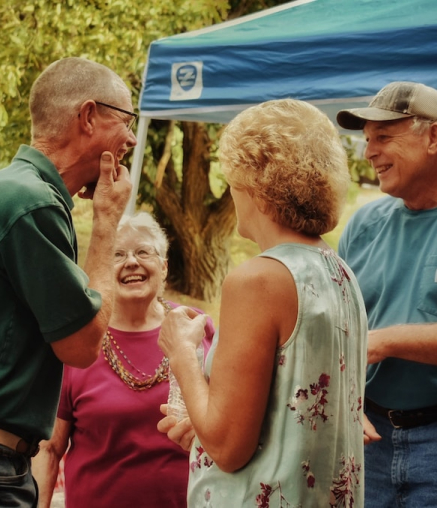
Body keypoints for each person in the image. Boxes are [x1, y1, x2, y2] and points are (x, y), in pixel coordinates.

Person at [157, 98, 368, 507]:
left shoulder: (257, 280)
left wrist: (181, 351)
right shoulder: (340, 273)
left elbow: (228, 446)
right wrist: (201, 422)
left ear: (254, 182)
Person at [0, 57, 135, 506]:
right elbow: (82, 346)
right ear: (87, 117)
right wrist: (106, 220)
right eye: (126, 122)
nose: (130, 139)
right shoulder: (31, 202)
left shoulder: (3, 189)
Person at [336, 81, 437, 507]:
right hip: (366, 441)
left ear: (433, 137)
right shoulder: (363, 225)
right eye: (366, 140)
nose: (369, 152)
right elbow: (334, 328)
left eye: (383, 137)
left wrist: (386, 341)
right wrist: (347, 399)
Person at [32, 211, 215, 508]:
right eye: (118, 255)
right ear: (104, 270)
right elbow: (50, 448)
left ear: (165, 267)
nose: (132, 262)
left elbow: (229, 421)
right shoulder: (78, 342)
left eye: (143, 251)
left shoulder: (196, 326)